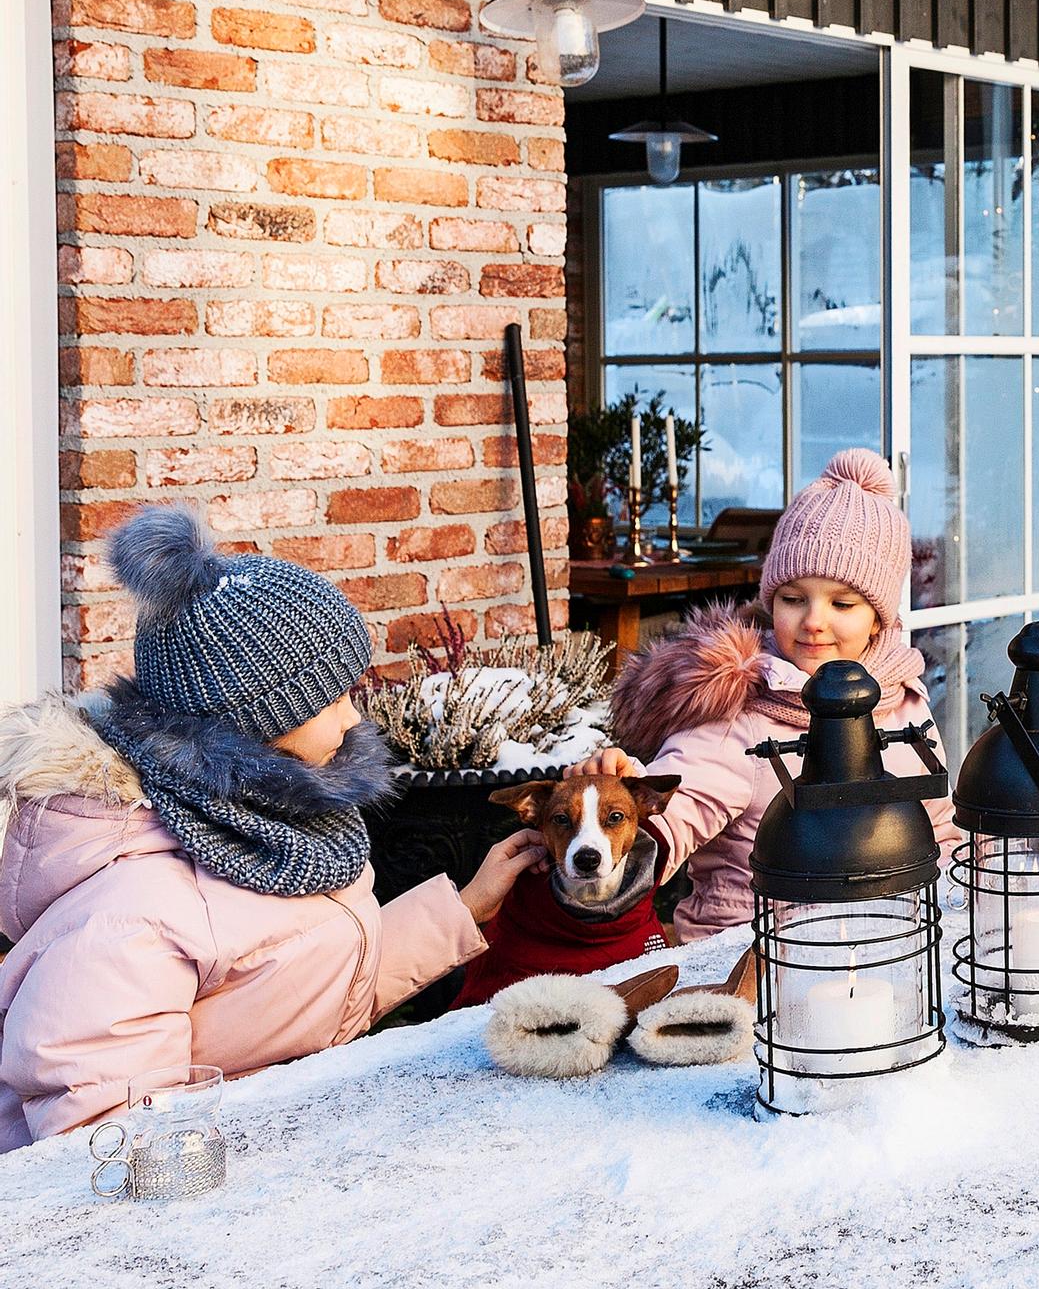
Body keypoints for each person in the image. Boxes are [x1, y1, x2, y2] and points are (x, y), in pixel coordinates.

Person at [0, 507, 543, 1150]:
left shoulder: (274, 827)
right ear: (244, 721)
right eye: (329, 698)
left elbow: (291, 987)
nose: (352, 717)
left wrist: (465, 908)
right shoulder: (135, 913)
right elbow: (107, 1144)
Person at [576, 449, 957, 942]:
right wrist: (622, 807)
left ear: (879, 617)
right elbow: (677, 809)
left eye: (842, 602)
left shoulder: (904, 701)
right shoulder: (739, 707)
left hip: (886, 949)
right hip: (752, 952)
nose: (814, 620)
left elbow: (938, 831)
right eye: (792, 599)